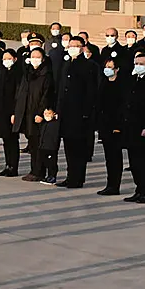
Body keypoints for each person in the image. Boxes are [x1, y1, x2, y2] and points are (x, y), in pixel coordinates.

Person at [55, 37, 98, 188]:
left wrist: (86, 112)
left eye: (76, 45)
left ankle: (78, 178)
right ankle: (70, 175)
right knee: (68, 147)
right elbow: (61, 89)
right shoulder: (66, 64)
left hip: (79, 113)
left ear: (82, 47)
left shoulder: (88, 65)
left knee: (78, 148)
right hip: (65, 113)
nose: (72, 48)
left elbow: (91, 91)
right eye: (71, 45)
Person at [121, 51, 145, 203]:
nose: (138, 66)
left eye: (141, 64)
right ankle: (138, 189)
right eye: (136, 64)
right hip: (131, 125)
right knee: (134, 161)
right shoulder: (132, 80)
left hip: (144, 127)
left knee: (144, 161)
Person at [13, 47, 54, 181]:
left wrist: (40, 112)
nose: (34, 59)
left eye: (38, 57)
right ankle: (34, 169)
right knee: (32, 142)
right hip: (26, 112)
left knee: (38, 144)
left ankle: (39, 171)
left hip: (37, 114)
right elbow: (20, 93)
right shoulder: (27, 73)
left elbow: (46, 95)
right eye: (33, 56)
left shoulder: (46, 74)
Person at [97, 58, 126, 195]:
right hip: (105, 125)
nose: (107, 69)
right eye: (106, 66)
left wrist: (118, 125)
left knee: (115, 157)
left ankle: (115, 185)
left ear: (117, 69)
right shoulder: (104, 83)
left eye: (111, 67)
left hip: (116, 126)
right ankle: (109, 183)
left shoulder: (121, 85)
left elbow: (122, 107)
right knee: (108, 157)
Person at [0, 49, 22, 177]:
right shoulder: (1, 71)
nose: (6, 61)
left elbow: (17, 94)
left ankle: (13, 167)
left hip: (11, 111)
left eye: (9, 58)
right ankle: (7, 165)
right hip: (1, 111)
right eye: (4, 59)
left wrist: (15, 112)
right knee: (5, 139)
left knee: (12, 139)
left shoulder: (18, 73)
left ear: (15, 59)